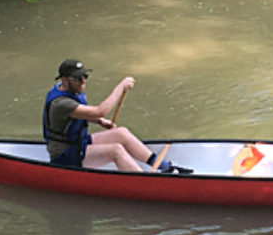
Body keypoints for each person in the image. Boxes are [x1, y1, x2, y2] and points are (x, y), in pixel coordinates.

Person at [43, 59, 189, 173]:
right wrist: (120, 87)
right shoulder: (61, 103)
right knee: (116, 150)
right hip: (65, 155)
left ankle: (164, 167)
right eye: (78, 78)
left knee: (121, 133)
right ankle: (147, 182)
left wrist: (100, 121)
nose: (83, 81)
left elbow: (79, 114)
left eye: (84, 76)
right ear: (64, 80)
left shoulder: (73, 90)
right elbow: (100, 110)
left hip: (79, 143)